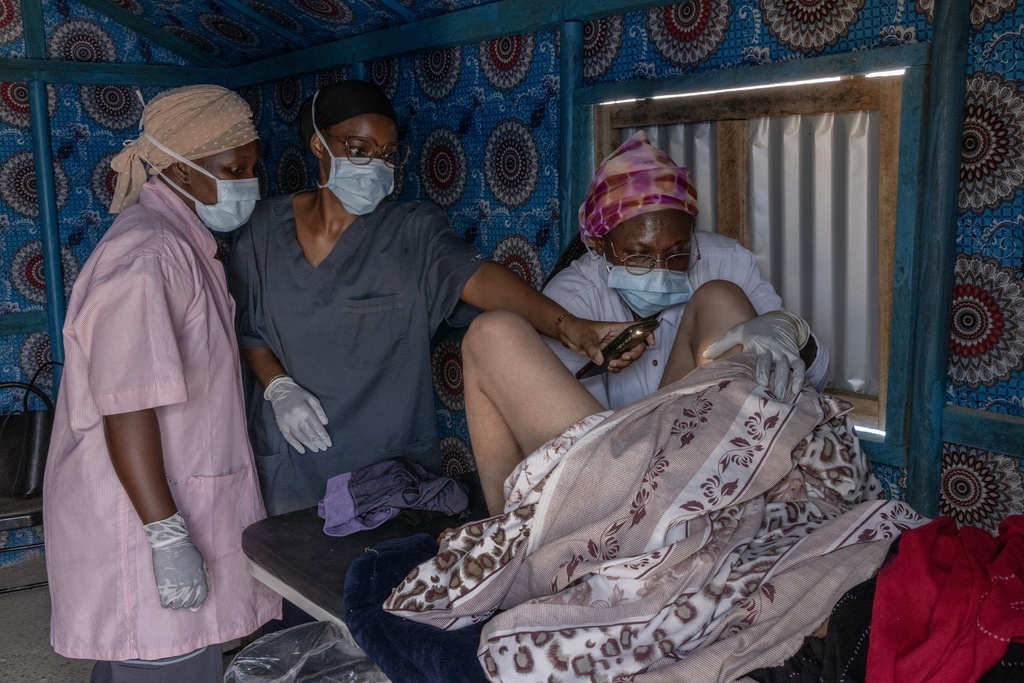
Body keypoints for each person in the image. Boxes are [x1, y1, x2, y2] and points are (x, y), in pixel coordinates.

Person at [227, 80, 632, 518]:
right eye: (360, 149)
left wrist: (567, 325)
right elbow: (247, 328)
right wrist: (277, 387)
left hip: (389, 475)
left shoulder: (412, 231)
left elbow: (477, 276)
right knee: (289, 573)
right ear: (318, 145)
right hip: (291, 467)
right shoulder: (262, 229)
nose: (377, 166)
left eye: (388, 155)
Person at [43, 85, 280, 683]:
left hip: (168, 501)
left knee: (144, 665)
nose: (248, 182)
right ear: (179, 168)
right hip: (143, 520)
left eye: (252, 166)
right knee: (161, 661)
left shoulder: (181, 244)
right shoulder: (147, 257)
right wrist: (166, 535)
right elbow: (126, 408)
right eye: (234, 169)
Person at [541, 130, 829, 411]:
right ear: (599, 244)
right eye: (639, 256)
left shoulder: (726, 262)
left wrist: (793, 332)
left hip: (721, 432)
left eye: (677, 252)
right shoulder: (570, 302)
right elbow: (580, 435)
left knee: (719, 298)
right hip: (626, 447)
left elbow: (812, 378)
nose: (661, 269)